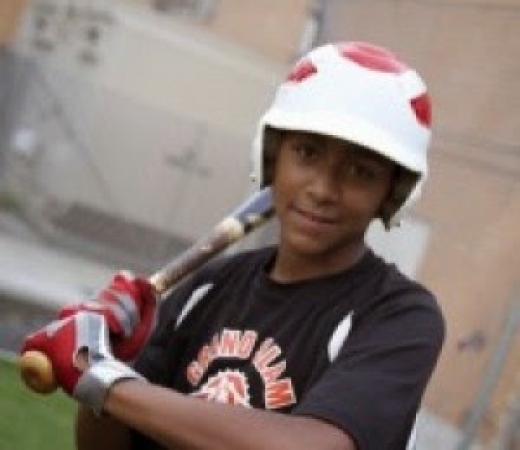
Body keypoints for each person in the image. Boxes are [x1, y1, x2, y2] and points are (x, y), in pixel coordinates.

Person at [22, 41, 445, 449]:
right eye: (307, 152)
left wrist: (104, 381)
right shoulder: (208, 288)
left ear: (391, 194)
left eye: (360, 171)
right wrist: (114, 360)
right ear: (273, 156)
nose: (323, 189)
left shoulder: (400, 317)